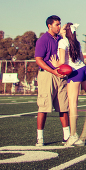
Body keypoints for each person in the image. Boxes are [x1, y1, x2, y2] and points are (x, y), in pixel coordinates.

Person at [33, 15, 70, 147]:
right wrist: (53, 71)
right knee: (44, 107)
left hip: (61, 75)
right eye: (57, 24)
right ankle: (40, 138)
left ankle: (67, 136)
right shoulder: (43, 39)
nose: (59, 27)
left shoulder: (61, 39)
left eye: (60, 24)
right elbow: (38, 59)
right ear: (49, 26)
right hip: (48, 75)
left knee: (63, 107)